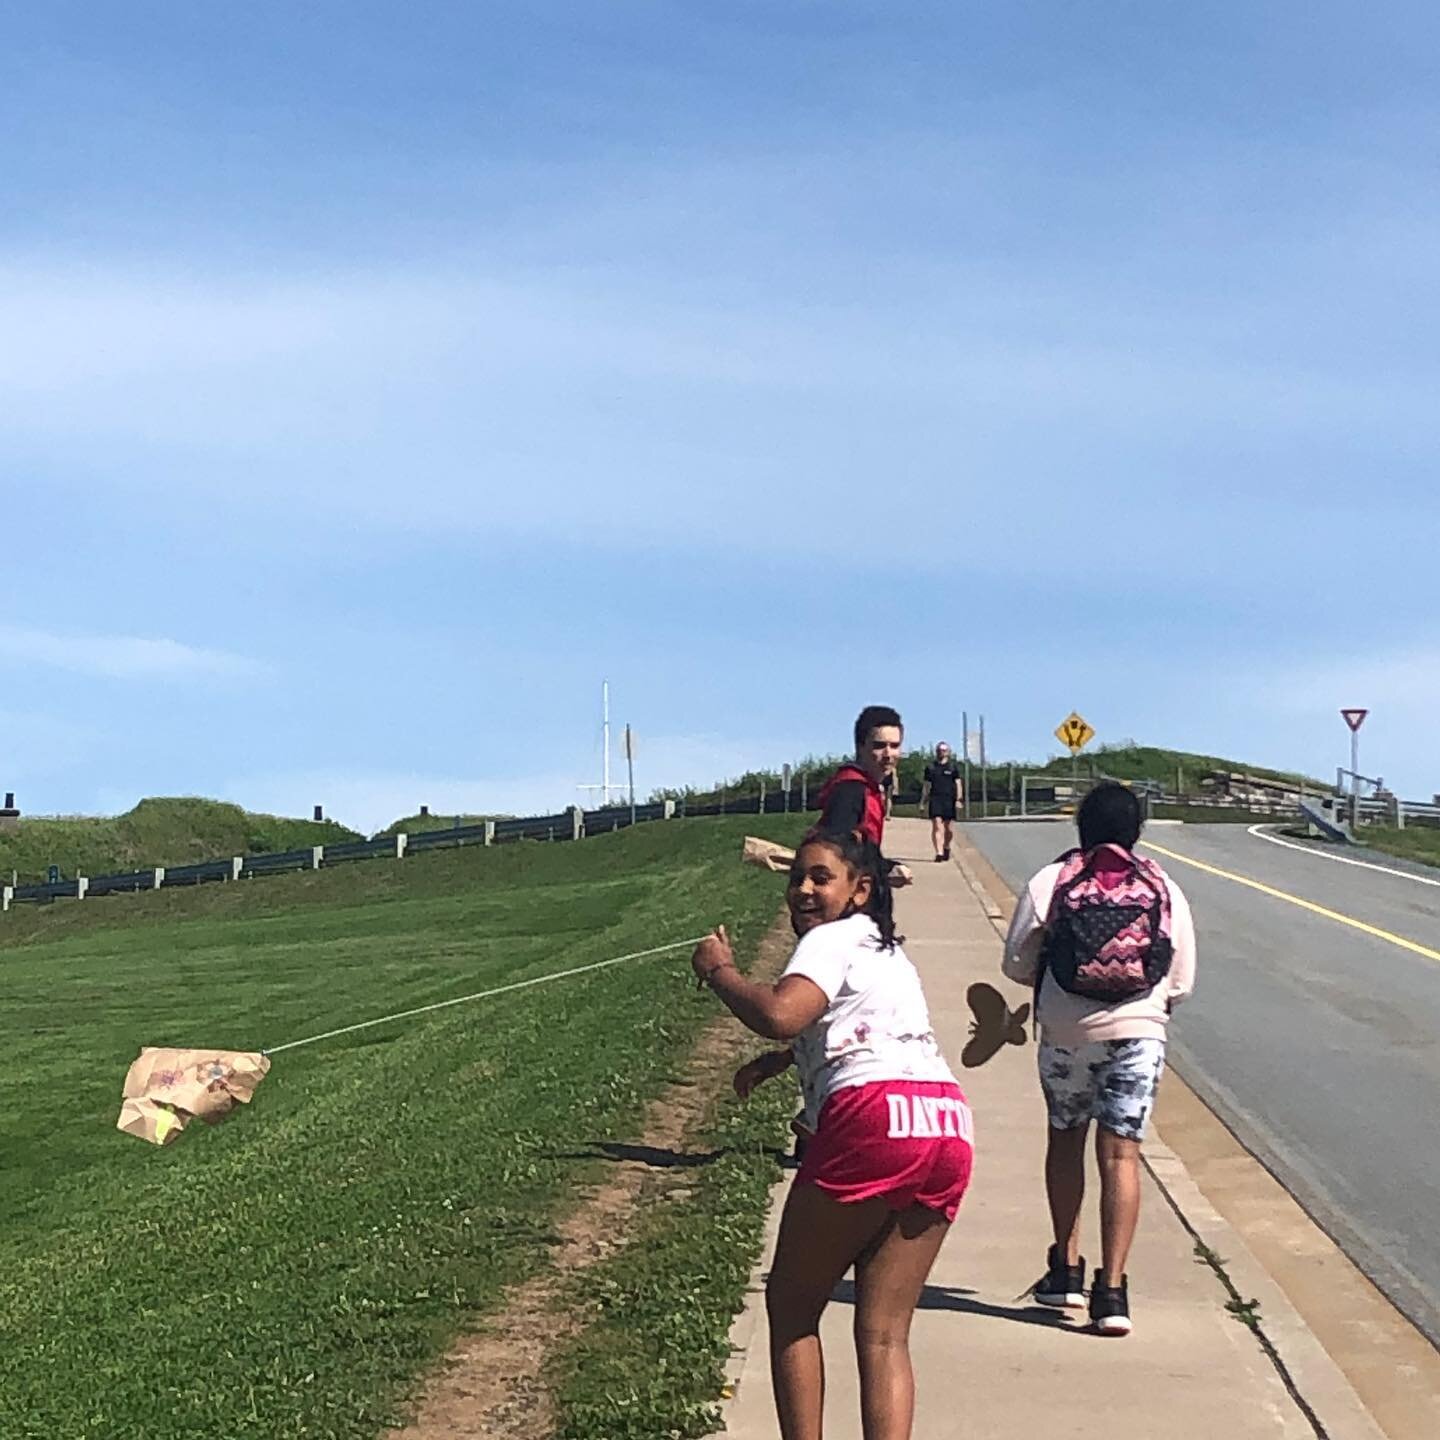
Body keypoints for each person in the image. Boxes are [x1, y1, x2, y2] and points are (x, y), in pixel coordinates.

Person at [692, 829, 972, 1440]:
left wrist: (721, 973)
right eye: (798, 878)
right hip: (945, 1122)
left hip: (871, 1121)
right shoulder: (886, 950)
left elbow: (779, 1013)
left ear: (860, 890)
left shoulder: (829, 939)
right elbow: (869, 1032)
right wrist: (784, 1063)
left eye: (822, 877)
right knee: (885, 1333)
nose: (805, 889)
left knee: (792, 1306)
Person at [1001, 781, 1195, 1336]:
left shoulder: (1053, 879)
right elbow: (1180, 980)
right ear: (1136, 831)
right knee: (1121, 1158)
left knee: (1066, 1140)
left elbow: (1015, 963)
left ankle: (1065, 1269)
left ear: (1080, 828)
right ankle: (1111, 1293)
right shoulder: (1161, 885)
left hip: (1066, 1030)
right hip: (1138, 1033)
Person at [816, 705, 912, 886]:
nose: (888, 754)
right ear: (860, 747)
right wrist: (886, 870)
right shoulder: (851, 789)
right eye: (879, 746)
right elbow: (837, 851)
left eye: (894, 746)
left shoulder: (868, 787)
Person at [918, 742, 962, 862]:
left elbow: (958, 784)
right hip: (935, 799)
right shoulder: (931, 768)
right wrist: (923, 802)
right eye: (939, 750)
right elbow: (926, 786)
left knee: (949, 829)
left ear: (948, 752)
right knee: (937, 826)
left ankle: (946, 846)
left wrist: (958, 799)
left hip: (949, 800)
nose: (941, 752)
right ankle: (939, 852)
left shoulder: (953, 768)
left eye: (944, 750)